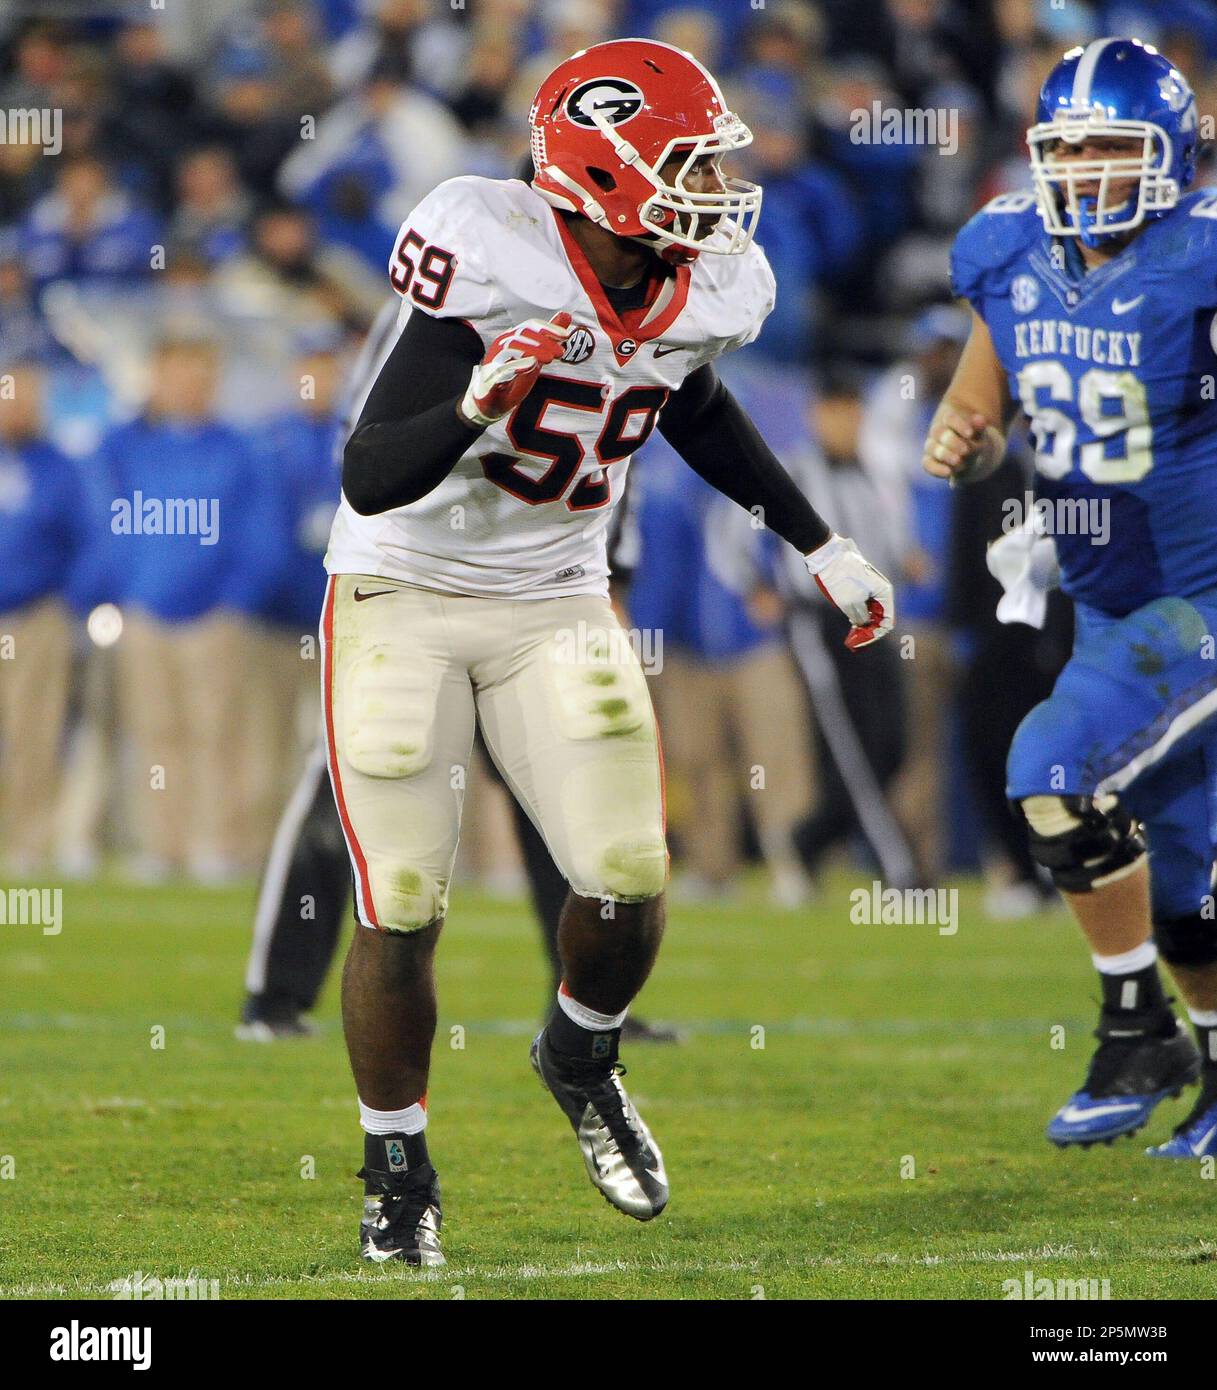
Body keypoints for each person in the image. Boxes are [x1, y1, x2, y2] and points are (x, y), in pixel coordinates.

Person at [326, 38, 894, 1266]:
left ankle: (579, 1053)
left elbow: (683, 396)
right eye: (683, 162)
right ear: (596, 169)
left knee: (631, 873)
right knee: (402, 900)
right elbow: (370, 474)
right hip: (403, 585)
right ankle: (397, 1168)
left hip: (555, 595)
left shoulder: (705, 280)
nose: (710, 184)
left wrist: (815, 537)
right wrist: (482, 397)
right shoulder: (490, 244)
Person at [923, 37, 1217, 1158]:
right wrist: (969, 428)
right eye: (1069, 145)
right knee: (1184, 874)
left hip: (1194, 595)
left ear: (1171, 152)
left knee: (1046, 770)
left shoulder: (1197, 255)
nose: (1087, 168)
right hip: (1105, 599)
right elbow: (984, 378)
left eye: (1111, 145)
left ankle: (1134, 1027)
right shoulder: (1004, 245)